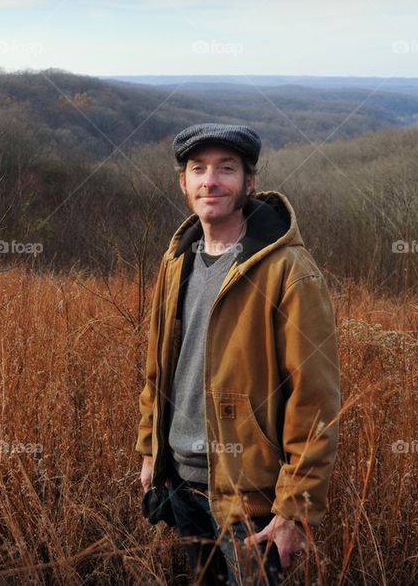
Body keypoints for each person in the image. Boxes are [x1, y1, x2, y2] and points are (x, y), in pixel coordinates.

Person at [136, 123, 341, 585]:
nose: (211, 180)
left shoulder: (287, 270)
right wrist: (151, 451)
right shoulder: (177, 262)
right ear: (183, 184)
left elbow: (316, 400)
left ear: (250, 182)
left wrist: (295, 509)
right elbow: (157, 371)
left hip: (251, 501)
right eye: (198, 169)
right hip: (183, 484)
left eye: (226, 169)